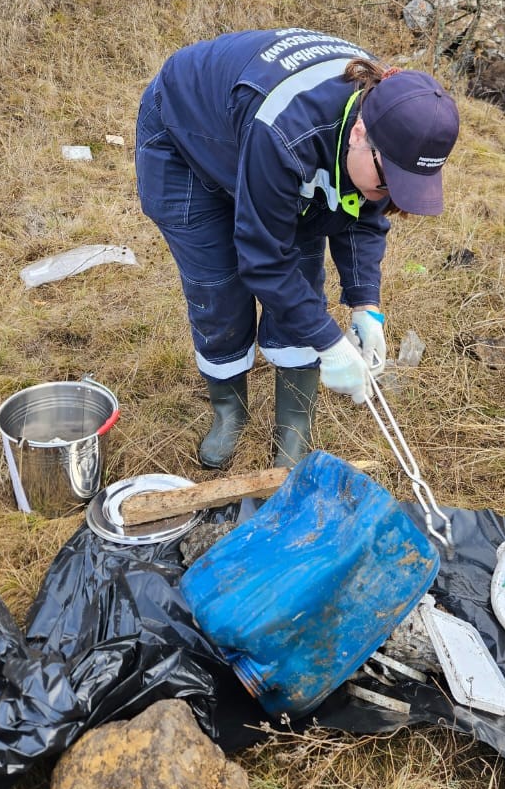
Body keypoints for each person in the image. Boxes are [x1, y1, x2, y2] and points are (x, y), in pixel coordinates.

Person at [135, 28, 459, 471]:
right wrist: (329, 342)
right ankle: (229, 413)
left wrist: (368, 306)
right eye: (388, 180)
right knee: (218, 286)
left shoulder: (389, 115)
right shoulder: (287, 132)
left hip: (257, 137)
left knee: (303, 273)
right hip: (188, 140)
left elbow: (361, 212)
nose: (388, 194)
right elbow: (264, 259)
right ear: (360, 132)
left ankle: (293, 424)